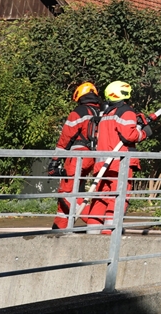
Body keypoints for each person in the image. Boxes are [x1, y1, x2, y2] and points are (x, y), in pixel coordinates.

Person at [82, 81, 153, 234]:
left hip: (103, 165)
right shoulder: (126, 112)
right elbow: (129, 135)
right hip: (120, 164)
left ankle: (92, 231)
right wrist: (145, 132)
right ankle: (110, 232)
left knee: (100, 199)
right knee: (118, 198)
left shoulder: (107, 114)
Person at [49, 82, 102, 230]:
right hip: (95, 157)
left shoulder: (78, 112)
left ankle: (94, 222)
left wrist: (54, 161)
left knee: (66, 193)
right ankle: (59, 227)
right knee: (75, 192)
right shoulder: (102, 112)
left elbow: (65, 138)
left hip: (77, 157)